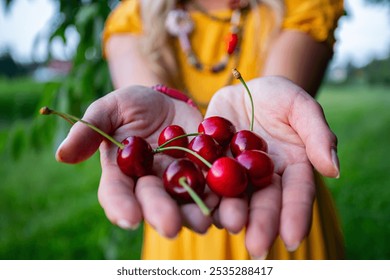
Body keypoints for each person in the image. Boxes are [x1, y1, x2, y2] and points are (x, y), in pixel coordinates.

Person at [56, 0, 345, 259]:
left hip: (280, 199)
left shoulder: (302, 6)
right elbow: (142, 89)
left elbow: (284, 87)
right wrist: (154, 101)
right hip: (179, 217)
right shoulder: (133, 16)